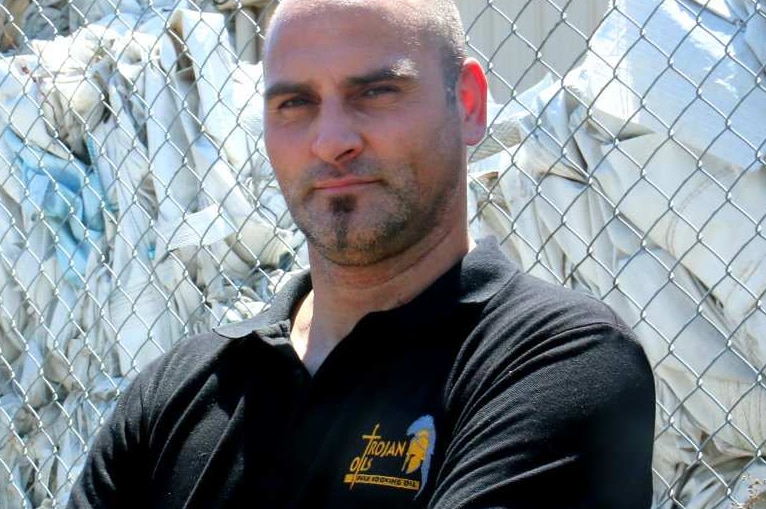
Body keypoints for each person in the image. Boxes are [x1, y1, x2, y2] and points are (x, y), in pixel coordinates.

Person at [66, 0, 656, 508]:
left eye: (376, 92)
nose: (331, 141)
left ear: (469, 103)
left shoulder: (557, 364)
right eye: (295, 104)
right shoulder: (178, 391)